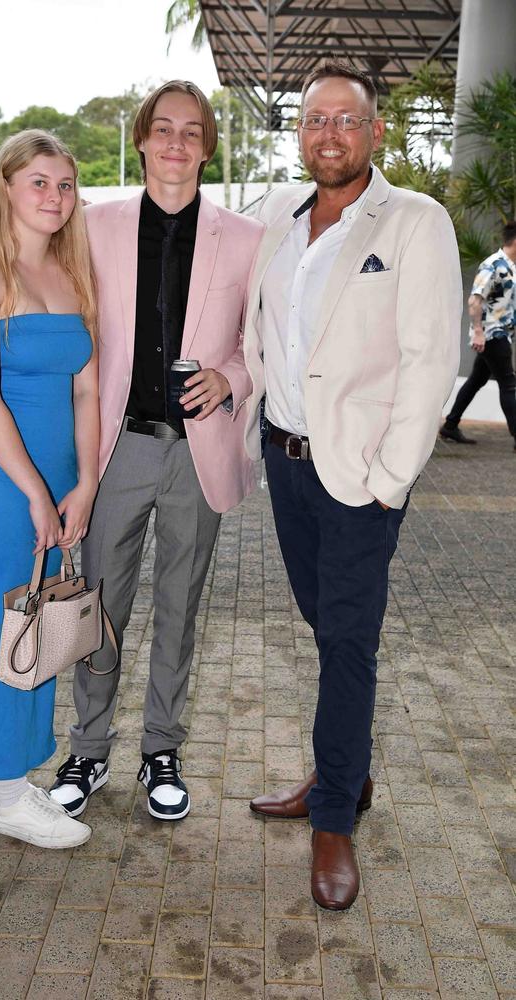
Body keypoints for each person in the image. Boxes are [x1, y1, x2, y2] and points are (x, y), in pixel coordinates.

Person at [0, 81, 263, 823]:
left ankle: (163, 750)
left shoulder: (248, 238)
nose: (176, 143)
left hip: (197, 451)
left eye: (192, 131)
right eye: (163, 129)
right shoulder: (90, 226)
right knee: (96, 603)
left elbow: (264, 346)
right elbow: (18, 315)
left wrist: (234, 376)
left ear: (207, 145)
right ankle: (88, 750)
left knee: (181, 607)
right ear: (142, 140)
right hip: (112, 449)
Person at [242, 61, 462, 910]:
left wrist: (390, 481)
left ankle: (334, 812)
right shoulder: (276, 220)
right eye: (313, 121)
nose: (327, 133)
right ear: (300, 134)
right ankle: (352, 769)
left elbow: (431, 357)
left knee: (346, 640)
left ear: (374, 134)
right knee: (323, 621)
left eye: (345, 120)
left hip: (358, 477)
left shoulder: (414, 221)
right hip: (286, 464)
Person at [0, 129, 99, 849]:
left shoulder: (72, 273)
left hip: (56, 480)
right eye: (38, 182)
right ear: (4, 187)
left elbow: (89, 390)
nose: (54, 197)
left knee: (17, 619)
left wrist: (85, 480)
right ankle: (10, 794)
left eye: (64, 185)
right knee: (10, 621)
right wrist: (35, 491)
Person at [440, 221, 516, 449]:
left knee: (476, 380)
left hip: (500, 333)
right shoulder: (493, 265)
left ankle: (450, 425)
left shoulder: (510, 267)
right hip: (492, 335)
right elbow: (475, 300)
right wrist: (479, 333)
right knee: (509, 384)